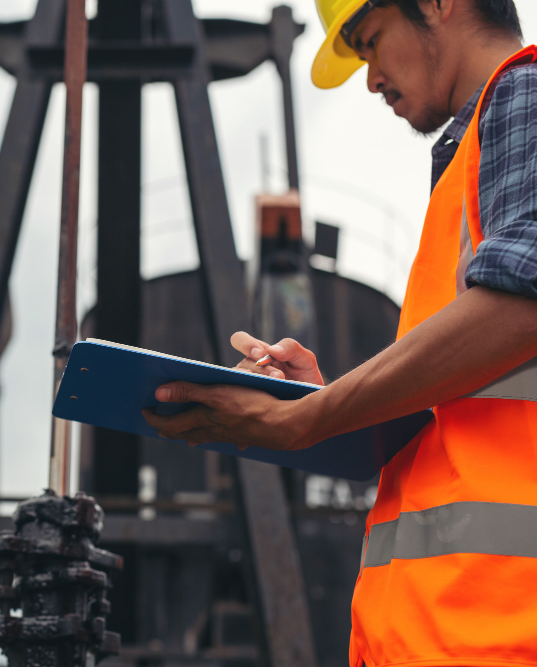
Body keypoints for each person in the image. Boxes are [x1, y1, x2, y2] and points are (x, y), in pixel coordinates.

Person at [142, 0, 537, 663]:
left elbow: (525, 304)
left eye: (370, 40)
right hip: (443, 634)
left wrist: (320, 414)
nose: (370, 77)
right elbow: (464, 420)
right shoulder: (469, 158)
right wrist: (331, 404)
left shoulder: (524, 95)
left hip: (498, 630)